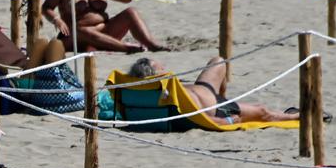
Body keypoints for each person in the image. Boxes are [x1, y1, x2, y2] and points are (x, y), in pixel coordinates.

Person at [129, 57, 301, 125]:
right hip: (216, 107)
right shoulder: (168, 93)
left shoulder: (139, 91)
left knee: (218, 61)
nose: (164, 67)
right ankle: (295, 116)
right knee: (262, 110)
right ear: (155, 74)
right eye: (160, 67)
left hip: (204, 90)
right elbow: (202, 117)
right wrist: (227, 121)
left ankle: (229, 100)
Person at [42, 0, 167, 54]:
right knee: (81, 30)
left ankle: (151, 44)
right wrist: (56, 19)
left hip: (105, 32)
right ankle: (124, 48)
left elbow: (127, 0)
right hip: (75, 37)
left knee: (130, 12)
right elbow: (46, 7)